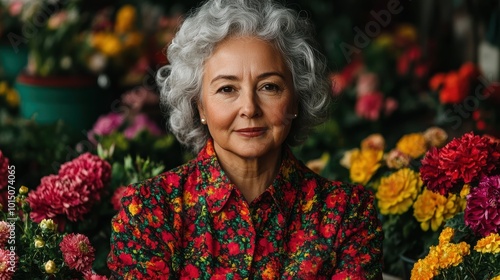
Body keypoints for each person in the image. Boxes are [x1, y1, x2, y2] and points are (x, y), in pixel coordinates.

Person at [107, 0, 383, 278]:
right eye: (227, 89)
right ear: (200, 106)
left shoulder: (346, 214)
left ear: (296, 100)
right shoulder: (149, 212)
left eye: (269, 87)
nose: (249, 108)